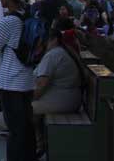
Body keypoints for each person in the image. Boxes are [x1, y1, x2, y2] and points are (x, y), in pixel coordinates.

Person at [0, 0, 36, 161]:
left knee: (14, 128)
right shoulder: (27, 15)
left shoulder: (8, 21)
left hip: (10, 80)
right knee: (26, 125)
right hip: (27, 78)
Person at [32, 18, 83, 158]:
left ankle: (36, 145)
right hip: (70, 98)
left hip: (63, 100)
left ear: (54, 40)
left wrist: (27, 98)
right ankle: (39, 143)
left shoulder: (53, 55)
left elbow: (41, 85)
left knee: (24, 109)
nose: (42, 44)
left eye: (45, 40)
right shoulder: (64, 51)